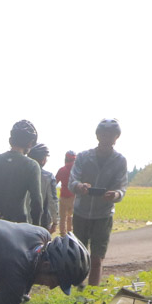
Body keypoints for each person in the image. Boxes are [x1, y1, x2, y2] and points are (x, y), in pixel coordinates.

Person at [69, 118, 129, 287]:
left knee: (97, 258)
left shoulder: (119, 160)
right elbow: (72, 181)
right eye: (103, 133)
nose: (106, 137)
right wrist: (80, 186)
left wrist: (115, 194)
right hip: (81, 212)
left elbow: (122, 187)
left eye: (111, 134)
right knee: (79, 255)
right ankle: (78, 286)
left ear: (117, 137)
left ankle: (92, 292)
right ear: (97, 135)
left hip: (104, 214)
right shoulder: (83, 157)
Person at [28, 143, 58, 231]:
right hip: (41, 220)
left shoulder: (21, 172)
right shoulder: (48, 177)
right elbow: (53, 200)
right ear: (43, 160)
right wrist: (55, 221)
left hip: (20, 219)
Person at [55, 150, 77, 236]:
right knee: (70, 217)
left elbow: (55, 182)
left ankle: (63, 235)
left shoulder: (62, 170)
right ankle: (71, 234)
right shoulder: (76, 170)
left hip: (63, 196)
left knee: (63, 218)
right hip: (74, 197)